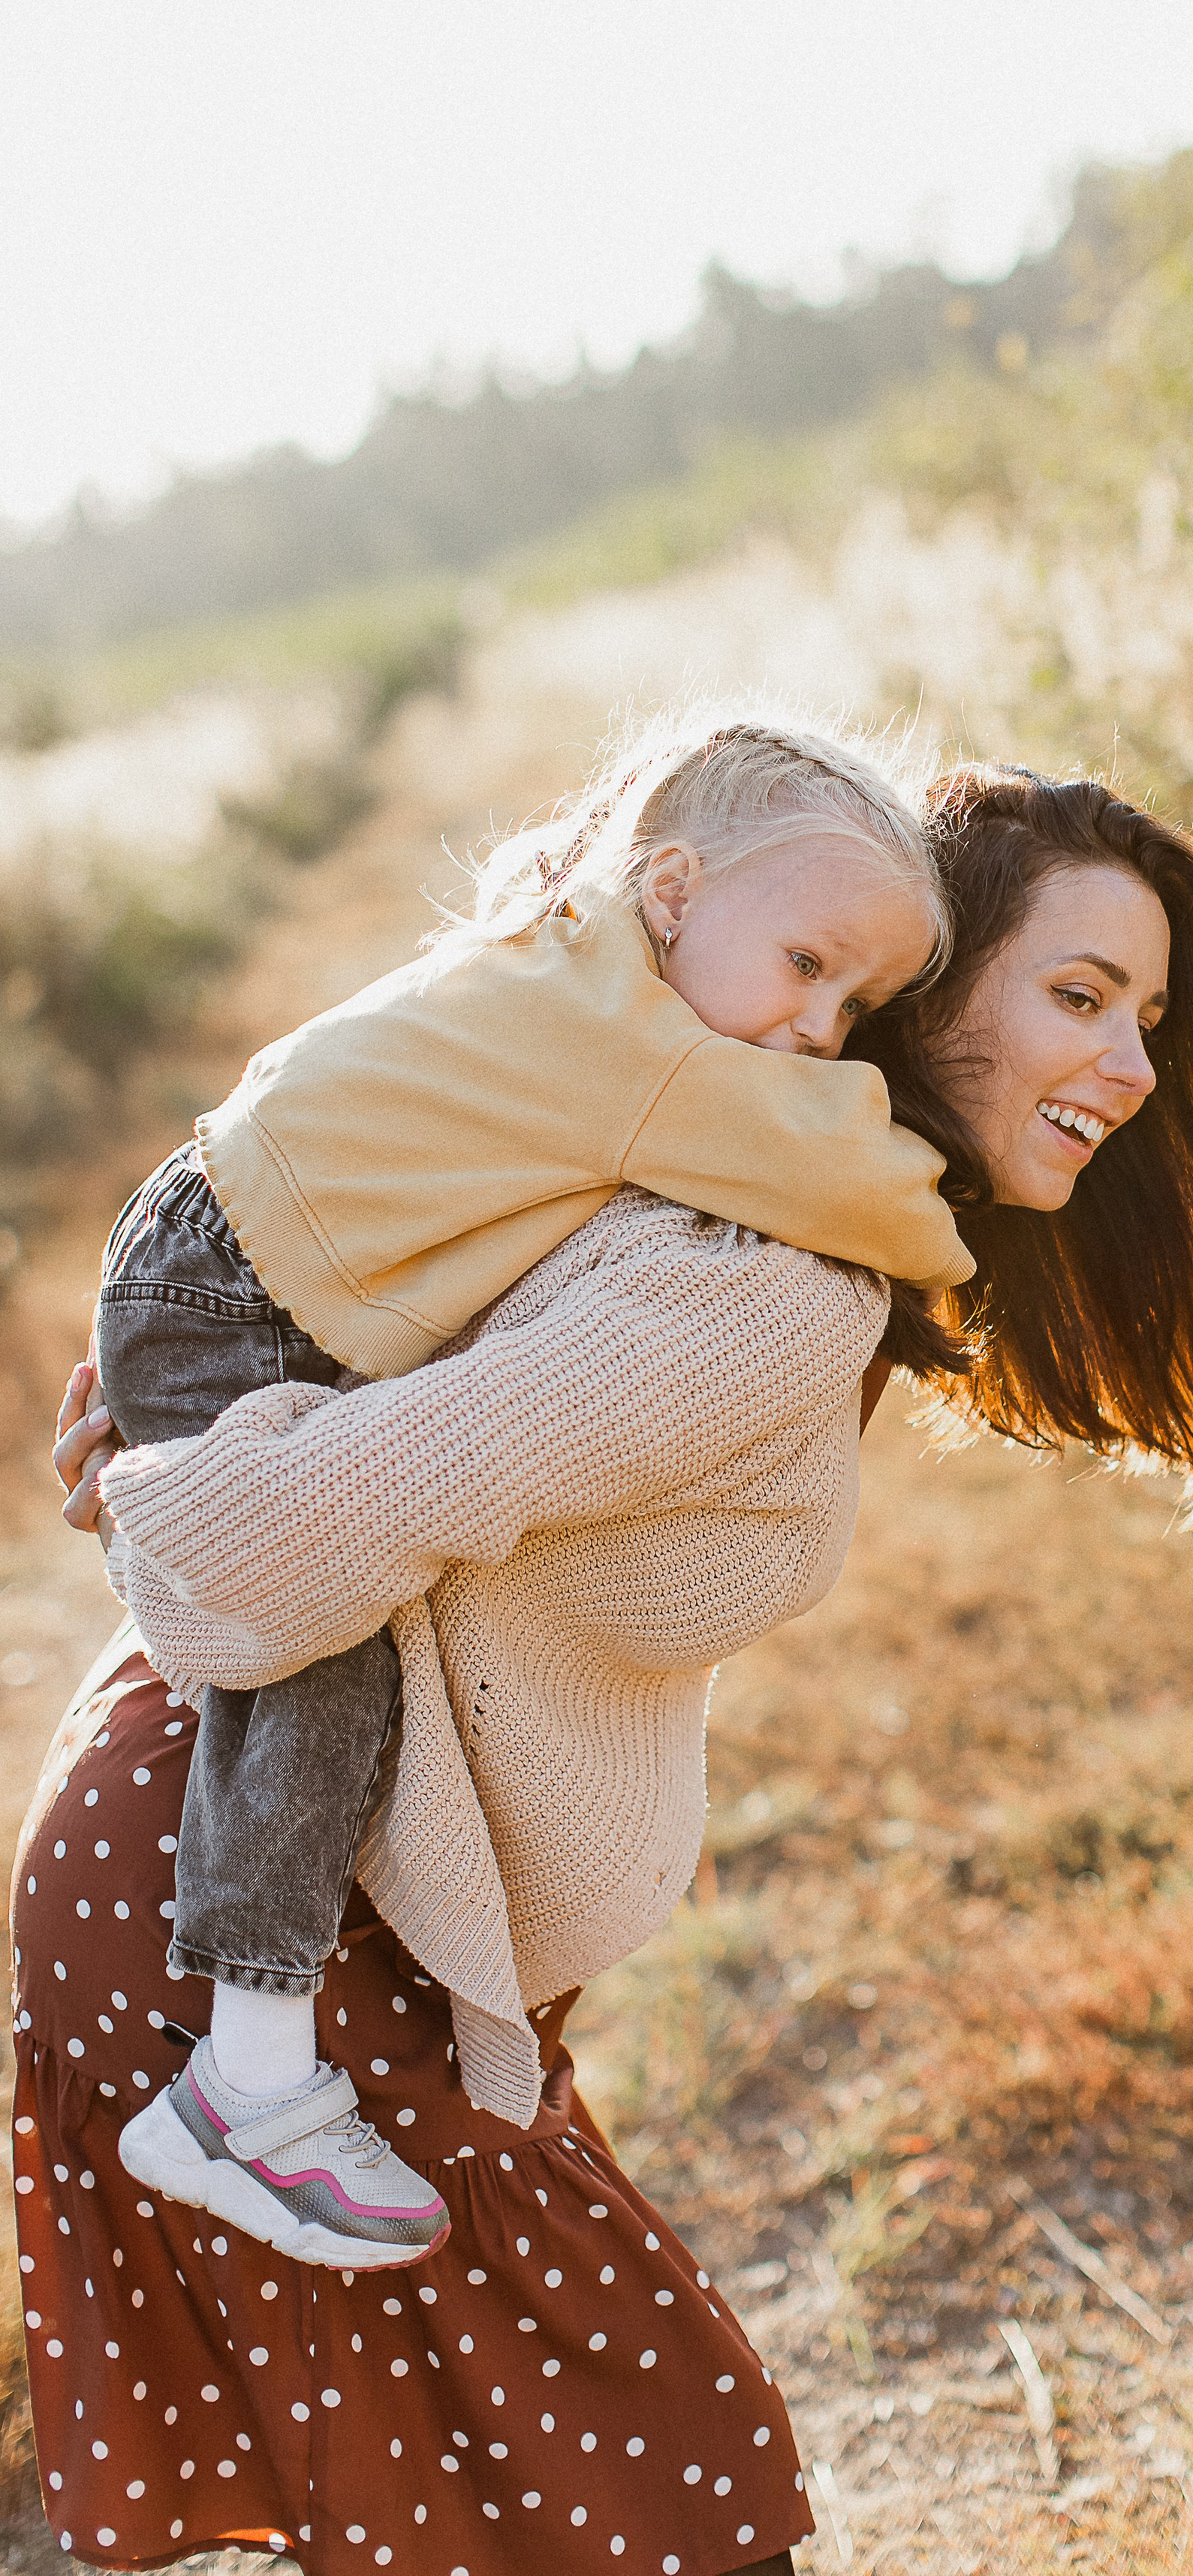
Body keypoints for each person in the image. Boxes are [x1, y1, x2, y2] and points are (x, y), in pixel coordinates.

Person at [27, 762, 1193, 2576]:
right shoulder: (764, 1275)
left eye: (1144, 1019)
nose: (1128, 1068)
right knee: (657, 2496)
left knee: (487, 2508)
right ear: (918, 1001)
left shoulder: (696, 1181)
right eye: (1075, 998)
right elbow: (303, 1495)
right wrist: (172, 1471)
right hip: (273, 1916)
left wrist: (176, 1453)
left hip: (252, 1851)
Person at [68, 715, 971, 2270]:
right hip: (234, 1287)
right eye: (808, 963)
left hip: (225, 1248)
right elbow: (847, 1177)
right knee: (316, 1634)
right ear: (673, 890)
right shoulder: (643, 1047)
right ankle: (247, 2073)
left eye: (859, 999)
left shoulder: (577, 960)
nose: (823, 1026)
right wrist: (965, 1253)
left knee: (325, 1592)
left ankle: (252, 2064)